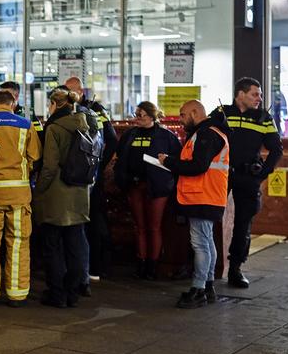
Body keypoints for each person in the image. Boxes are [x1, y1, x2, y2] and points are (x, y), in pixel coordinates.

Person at [159, 100, 229, 309]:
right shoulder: (213, 132)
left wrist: (168, 162)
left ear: (195, 112)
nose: (180, 120)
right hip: (208, 195)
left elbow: (198, 166)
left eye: (182, 115)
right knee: (207, 242)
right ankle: (207, 287)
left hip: (202, 196)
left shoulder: (206, 134)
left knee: (200, 244)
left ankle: (198, 289)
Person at [221, 78, 283, 288]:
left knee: (243, 224)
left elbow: (276, 149)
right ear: (240, 94)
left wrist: (262, 173)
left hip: (248, 177)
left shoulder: (263, 118)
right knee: (209, 220)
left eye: (260, 95)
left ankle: (236, 268)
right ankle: (205, 266)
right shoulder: (222, 114)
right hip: (221, 176)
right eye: (254, 94)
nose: (259, 98)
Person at [33, 88, 92, 308]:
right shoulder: (87, 123)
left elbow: (49, 165)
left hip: (56, 194)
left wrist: (39, 190)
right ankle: (73, 291)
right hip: (79, 192)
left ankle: (57, 293)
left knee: (53, 247)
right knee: (75, 245)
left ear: (54, 104)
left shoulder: (55, 127)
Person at [0, 90, 40, 306]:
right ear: (13, 104)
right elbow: (35, 156)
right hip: (19, 195)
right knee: (18, 243)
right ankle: (17, 293)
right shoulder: (25, 125)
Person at [113, 101, 182, 280]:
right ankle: (141, 262)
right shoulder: (130, 134)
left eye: (141, 115)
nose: (137, 118)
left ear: (152, 116)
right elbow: (121, 156)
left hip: (158, 186)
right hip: (134, 185)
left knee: (154, 226)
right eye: (136, 114)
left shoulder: (166, 136)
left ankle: (153, 264)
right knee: (140, 226)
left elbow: (176, 159)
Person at [64, 77, 116, 284]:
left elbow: (111, 139)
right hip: (77, 175)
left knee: (93, 221)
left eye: (71, 90)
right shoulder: (70, 109)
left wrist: (97, 166)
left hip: (90, 177)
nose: (68, 94)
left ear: (80, 90)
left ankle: (97, 266)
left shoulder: (95, 109)